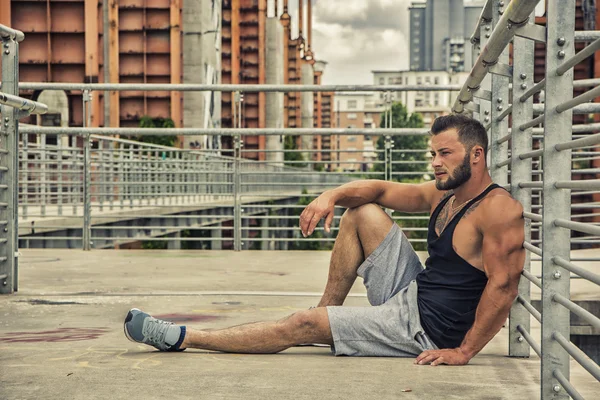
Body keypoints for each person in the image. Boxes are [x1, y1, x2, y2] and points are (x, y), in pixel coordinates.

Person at [124, 114, 525, 366]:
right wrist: (330, 196)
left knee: (301, 323)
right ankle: (327, 319)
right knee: (363, 211)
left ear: (476, 155)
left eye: (445, 154)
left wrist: (464, 351)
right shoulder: (446, 191)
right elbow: (380, 191)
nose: (435, 163)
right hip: (415, 292)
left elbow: (504, 287)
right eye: (432, 153)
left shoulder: (499, 211)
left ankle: (182, 338)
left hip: (425, 328)